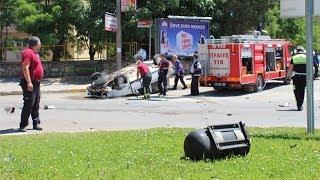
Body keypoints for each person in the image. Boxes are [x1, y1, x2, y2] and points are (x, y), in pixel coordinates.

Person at [18, 36, 44, 132]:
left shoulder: (35, 53)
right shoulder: (28, 53)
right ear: (36, 44)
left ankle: (36, 123)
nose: (40, 45)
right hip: (29, 83)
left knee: (36, 103)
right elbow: (25, 67)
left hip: (36, 82)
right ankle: (23, 125)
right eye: (40, 44)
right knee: (29, 103)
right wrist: (29, 82)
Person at [288, 46, 307, 111]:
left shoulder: (293, 57)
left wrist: (288, 76)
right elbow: (311, 68)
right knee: (302, 90)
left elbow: (291, 68)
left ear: (297, 51)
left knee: (296, 91)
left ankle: (299, 104)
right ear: (303, 51)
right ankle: (300, 104)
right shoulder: (307, 57)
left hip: (296, 77)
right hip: (304, 77)